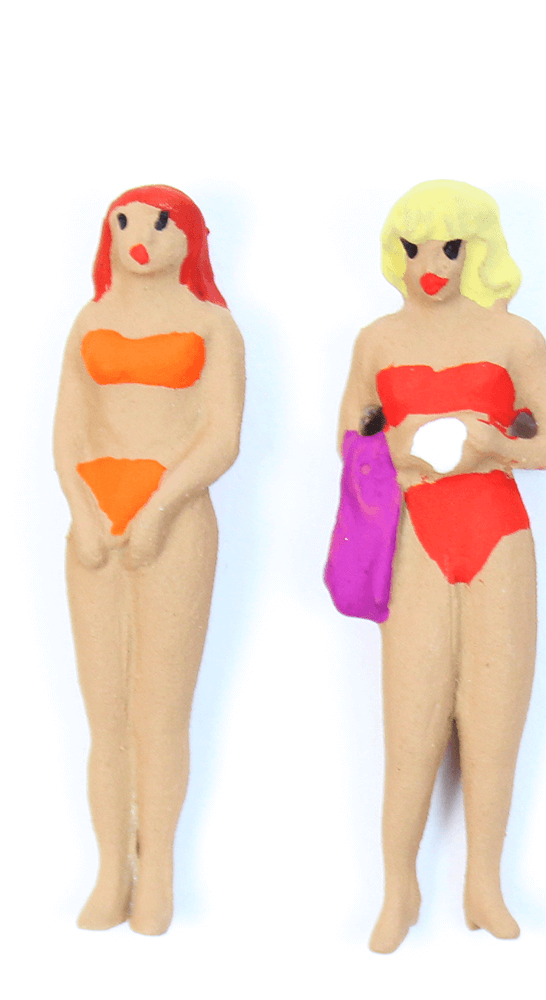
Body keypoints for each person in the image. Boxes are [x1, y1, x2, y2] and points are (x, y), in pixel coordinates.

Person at [338, 180, 546, 953]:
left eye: (449, 247)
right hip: (414, 540)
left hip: (498, 537)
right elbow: (349, 441)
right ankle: (397, 889)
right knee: (410, 728)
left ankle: (485, 883)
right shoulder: (377, 340)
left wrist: (495, 443)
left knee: (494, 723)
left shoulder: (516, 338)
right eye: (413, 248)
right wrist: (402, 448)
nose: (430, 264)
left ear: (478, 250)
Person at [54, 185, 245, 935]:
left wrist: (162, 507)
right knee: (105, 715)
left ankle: (156, 868)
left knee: (161, 713)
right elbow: (68, 433)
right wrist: (83, 513)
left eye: (160, 224)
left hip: (176, 528)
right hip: (94, 531)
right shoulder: (88, 321)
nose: (141, 236)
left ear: (188, 237)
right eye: (124, 222)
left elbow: (221, 437)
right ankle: (112, 872)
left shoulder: (213, 326)